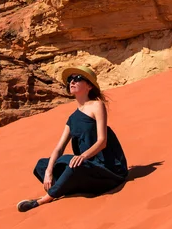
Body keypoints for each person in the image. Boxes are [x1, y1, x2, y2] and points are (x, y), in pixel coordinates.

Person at [17, 66, 128, 212]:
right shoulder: (72, 118)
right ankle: (65, 185)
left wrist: (83, 156)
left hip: (107, 170)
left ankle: (44, 200)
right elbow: (59, 148)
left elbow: (102, 141)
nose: (72, 82)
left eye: (77, 78)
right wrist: (49, 172)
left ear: (89, 86)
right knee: (42, 165)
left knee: (74, 164)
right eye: (70, 79)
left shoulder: (96, 105)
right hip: (86, 169)